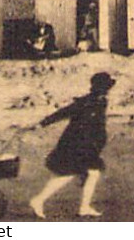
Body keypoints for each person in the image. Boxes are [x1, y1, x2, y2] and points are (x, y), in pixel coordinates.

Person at [25, 72, 115, 219]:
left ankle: (83, 207)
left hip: (86, 146)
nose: (107, 91)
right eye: (105, 87)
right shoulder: (88, 102)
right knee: (70, 174)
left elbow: (98, 126)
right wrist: (41, 124)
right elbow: (63, 113)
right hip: (74, 145)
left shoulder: (101, 101)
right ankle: (39, 200)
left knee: (89, 173)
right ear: (100, 88)